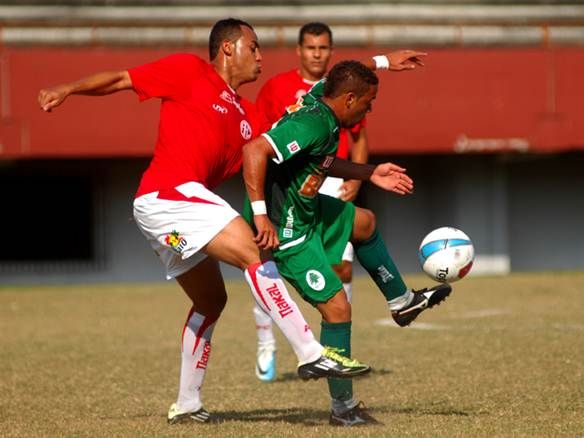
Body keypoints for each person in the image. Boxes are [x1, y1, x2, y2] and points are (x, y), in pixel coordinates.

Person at [37, 18, 372, 426]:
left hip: (167, 218)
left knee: (212, 301)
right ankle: (309, 352)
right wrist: (67, 89)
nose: (261, 57)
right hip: (168, 195)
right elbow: (123, 79)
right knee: (253, 248)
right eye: (254, 47)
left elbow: (298, 147)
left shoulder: (247, 116)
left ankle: (187, 403)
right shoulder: (188, 70)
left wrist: (368, 173)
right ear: (228, 48)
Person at [242, 60, 452, 426]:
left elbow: (320, 156)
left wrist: (372, 173)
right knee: (338, 309)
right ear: (350, 98)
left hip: (307, 207)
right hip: (289, 229)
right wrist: (261, 216)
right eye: (368, 103)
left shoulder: (323, 96)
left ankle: (402, 303)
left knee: (365, 222)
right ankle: (344, 410)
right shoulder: (311, 122)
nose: (369, 109)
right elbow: (254, 150)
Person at [252, 22, 368, 383]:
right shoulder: (277, 87)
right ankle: (265, 342)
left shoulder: (342, 87)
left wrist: (356, 178)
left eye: (323, 48)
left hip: (332, 181)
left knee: (343, 269)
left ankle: (335, 345)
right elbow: (261, 142)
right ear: (299, 51)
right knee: (264, 267)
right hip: (289, 192)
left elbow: (361, 138)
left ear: (330, 51)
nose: (317, 54)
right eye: (311, 48)